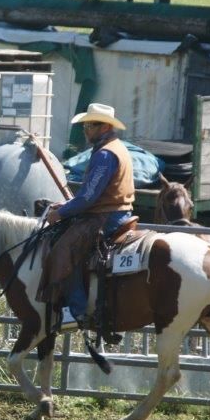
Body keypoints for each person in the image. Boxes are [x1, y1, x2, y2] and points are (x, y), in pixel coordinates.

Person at [37, 102, 134, 329]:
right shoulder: (115, 147)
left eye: (90, 125)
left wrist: (60, 213)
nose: (85, 130)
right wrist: (68, 205)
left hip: (106, 216)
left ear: (104, 127)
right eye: (85, 125)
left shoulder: (105, 155)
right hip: (115, 211)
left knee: (63, 250)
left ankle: (76, 312)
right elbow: (91, 195)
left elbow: (88, 197)